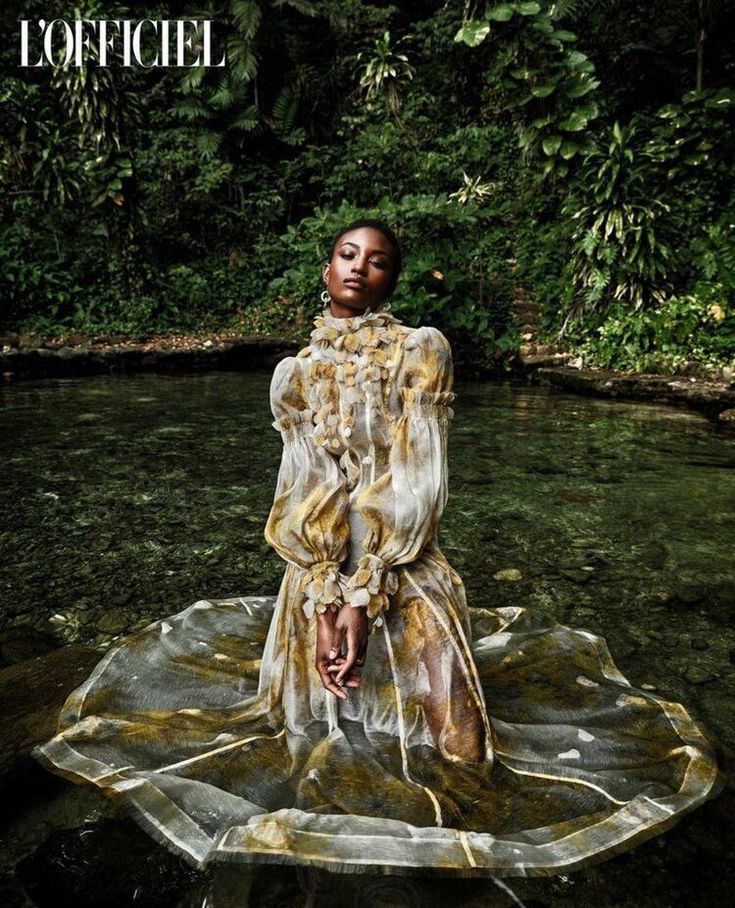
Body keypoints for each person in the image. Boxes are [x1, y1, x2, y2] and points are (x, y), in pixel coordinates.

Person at [32, 218, 725, 878]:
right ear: (326, 265)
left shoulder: (419, 350)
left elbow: (414, 479)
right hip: (321, 564)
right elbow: (307, 486)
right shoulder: (293, 374)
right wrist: (325, 592)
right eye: (347, 254)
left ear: (392, 278)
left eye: (378, 259)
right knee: (317, 733)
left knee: (462, 752)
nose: (360, 266)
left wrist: (368, 590)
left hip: (401, 557)